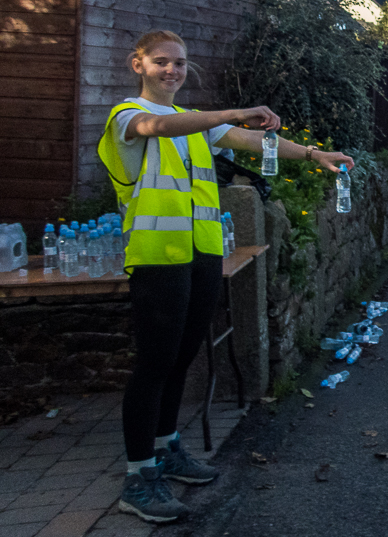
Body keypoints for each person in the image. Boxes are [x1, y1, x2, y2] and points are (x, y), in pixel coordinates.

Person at [97, 30, 354, 523]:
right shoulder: (127, 116)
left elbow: (252, 140)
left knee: (182, 356)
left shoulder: (194, 124)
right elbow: (156, 127)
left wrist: (313, 154)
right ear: (138, 65)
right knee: (154, 364)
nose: (172, 70)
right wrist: (231, 112)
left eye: (180, 63)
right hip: (157, 257)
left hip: (201, 254)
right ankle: (139, 476)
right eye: (161, 62)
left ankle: (167, 446)